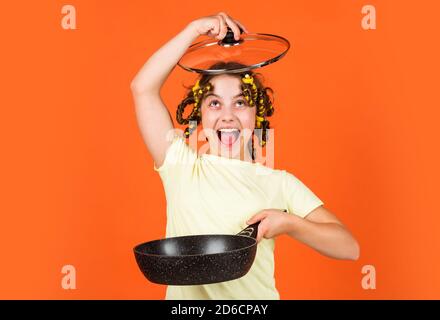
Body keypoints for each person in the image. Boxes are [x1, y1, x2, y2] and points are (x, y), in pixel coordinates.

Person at [130, 12, 360, 300]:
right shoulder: (181, 165)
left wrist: (289, 223)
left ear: (256, 112)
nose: (227, 116)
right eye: (215, 103)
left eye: (240, 102)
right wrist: (194, 29)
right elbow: (142, 88)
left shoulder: (279, 183)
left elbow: (349, 248)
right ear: (200, 113)